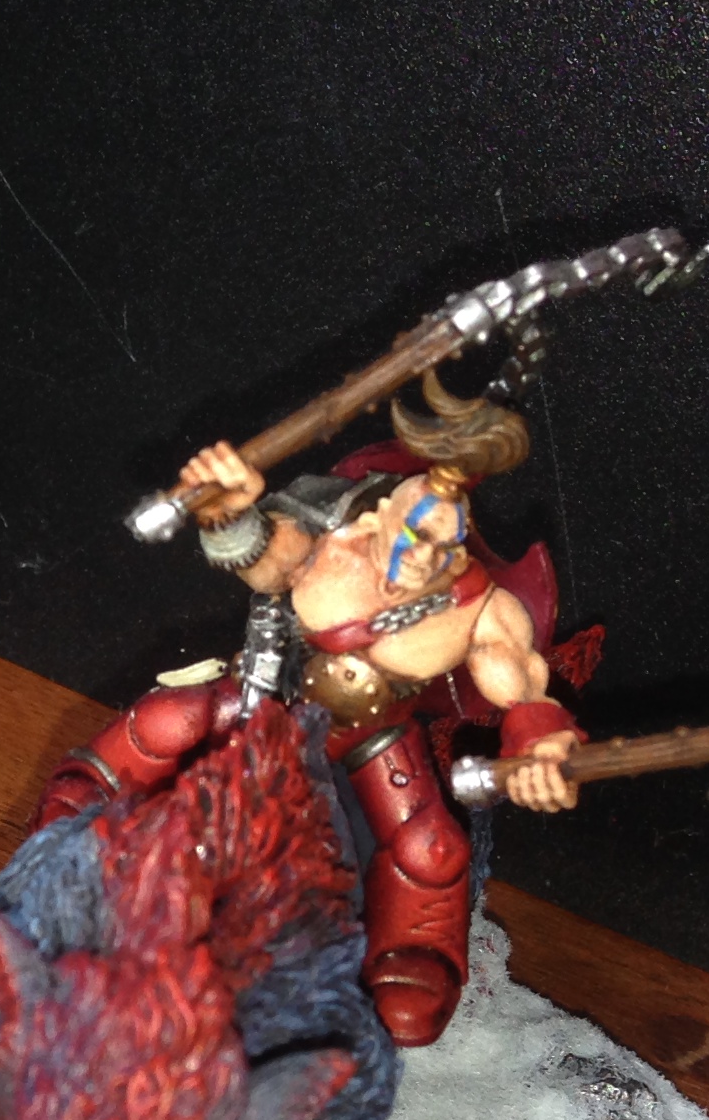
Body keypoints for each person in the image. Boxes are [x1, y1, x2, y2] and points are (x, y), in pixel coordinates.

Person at [39, 374, 584, 1048]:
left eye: (442, 545)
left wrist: (541, 749)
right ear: (380, 518)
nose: (422, 559)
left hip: (373, 730)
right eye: (412, 534)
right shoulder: (338, 544)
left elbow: (523, 687)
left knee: (431, 845)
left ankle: (414, 953)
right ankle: (88, 792)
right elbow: (267, 558)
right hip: (272, 698)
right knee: (167, 721)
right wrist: (229, 514)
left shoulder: (476, 606)